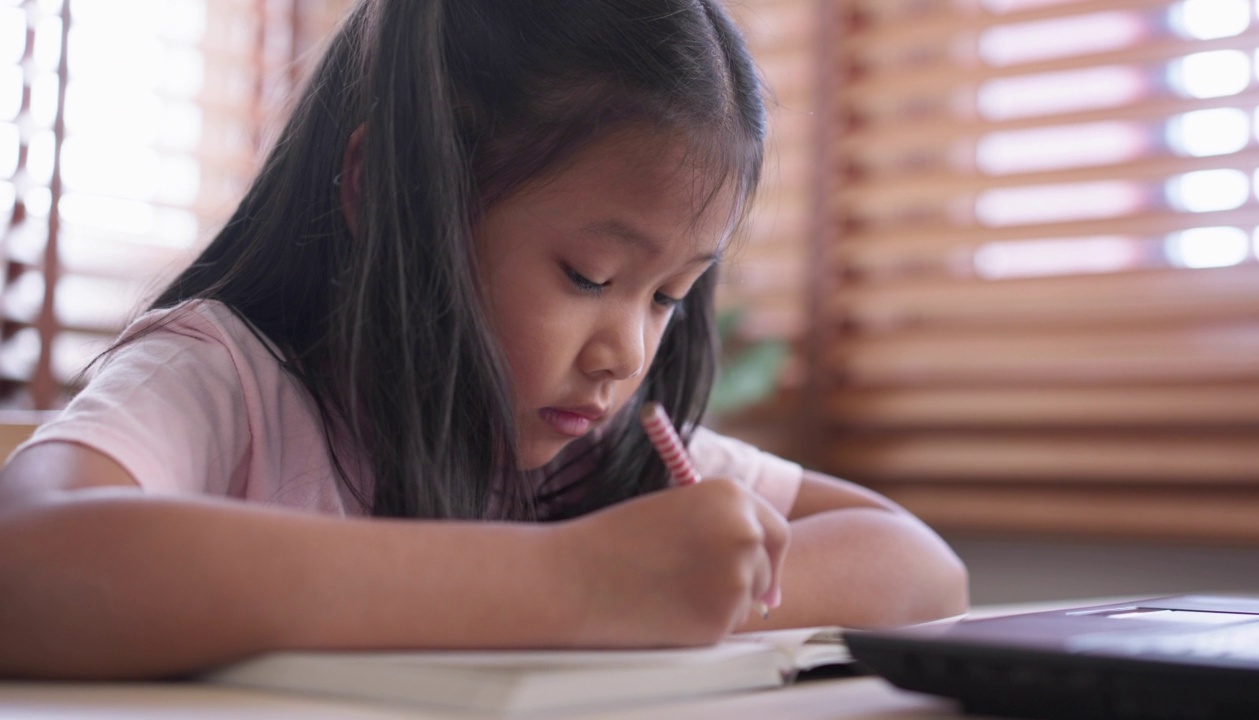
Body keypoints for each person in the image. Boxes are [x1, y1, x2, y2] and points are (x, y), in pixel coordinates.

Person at [0, 0, 967, 680]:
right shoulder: (226, 383)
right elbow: (25, 565)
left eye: (669, 294)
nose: (626, 354)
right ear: (384, 194)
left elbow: (919, 564)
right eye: (588, 276)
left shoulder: (587, 458)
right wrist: (577, 587)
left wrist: (678, 588)